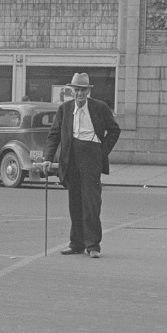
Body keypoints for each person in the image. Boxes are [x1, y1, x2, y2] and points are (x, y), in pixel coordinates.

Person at [42, 72, 120, 259]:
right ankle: (76, 243)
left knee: (91, 203)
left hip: (91, 156)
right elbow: (54, 135)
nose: (79, 94)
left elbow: (114, 130)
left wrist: (102, 152)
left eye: (83, 90)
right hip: (70, 158)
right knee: (74, 203)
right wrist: (47, 158)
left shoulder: (100, 108)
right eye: (76, 90)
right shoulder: (65, 109)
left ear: (88, 91)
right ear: (72, 91)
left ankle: (93, 245)